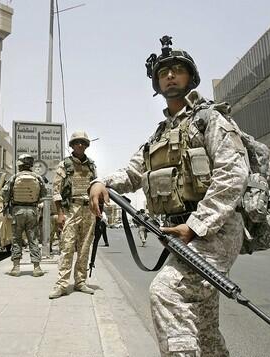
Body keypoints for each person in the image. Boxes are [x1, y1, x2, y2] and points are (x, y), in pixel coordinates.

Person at [90, 35, 249, 356]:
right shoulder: (160, 135)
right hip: (180, 233)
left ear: (191, 77)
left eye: (178, 70)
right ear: (157, 83)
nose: (171, 76)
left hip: (213, 230)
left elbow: (233, 175)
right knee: (202, 325)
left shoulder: (210, 120)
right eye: (164, 72)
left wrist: (197, 225)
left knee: (168, 294)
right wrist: (101, 182)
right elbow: (132, 173)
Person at [49, 131, 97, 299]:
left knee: (84, 248)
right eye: (77, 142)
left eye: (83, 142)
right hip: (71, 209)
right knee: (67, 247)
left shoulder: (91, 165)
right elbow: (56, 191)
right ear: (72, 145)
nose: (80, 145)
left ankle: (81, 281)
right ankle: (62, 284)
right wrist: (60, 213)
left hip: (88, 211)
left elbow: (95, 188)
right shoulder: (65, 165)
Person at [1, 154, 47, 277]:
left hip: (18, 211)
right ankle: (37, 268)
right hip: (32, 211)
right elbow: (44, 194)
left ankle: (16, 268)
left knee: (16, 239)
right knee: (33, 239)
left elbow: (4, 193)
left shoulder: (14, 177)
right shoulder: (37, 177)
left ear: (20, 165)